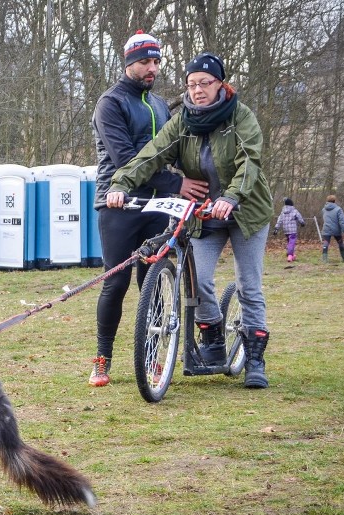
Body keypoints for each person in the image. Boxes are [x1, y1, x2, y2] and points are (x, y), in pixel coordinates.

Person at [109, 52, 274, 389]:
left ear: (220, 85)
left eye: (205, 83)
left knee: (249, 285)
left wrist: (230, 197)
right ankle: (213, 344)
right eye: (192, 83)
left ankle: (255, 360)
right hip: (203, 214)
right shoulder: (183, 121)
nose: (198, 90)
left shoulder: (241, 117)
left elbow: (249, 161)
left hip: (246, 212)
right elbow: (152, 154)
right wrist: (120, 183)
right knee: (198, 281)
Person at [88, 30, 196, 387]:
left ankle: (152, 357)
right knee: (115, 282)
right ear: (129, 63)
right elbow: (126, 161)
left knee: (153, 277)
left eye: (156, 61)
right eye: (145, 62)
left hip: (157, 206)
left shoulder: (162, 104)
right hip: (118, 201)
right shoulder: (111, 103)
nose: (152, 68)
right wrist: (176, 184)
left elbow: (174, 152)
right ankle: (102, 359)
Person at [273, 197, 306, 262]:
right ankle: (290, 255)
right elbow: (299, 218)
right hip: (292, 230)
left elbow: (279, 220)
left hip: (286, 230)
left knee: (289, 242)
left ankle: (292, 255)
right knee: (292, 242)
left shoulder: (283, 212)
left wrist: (276, 228)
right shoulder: (294, 211)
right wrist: (302, 223)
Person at [321, 194, 344, 262]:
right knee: (340, 243)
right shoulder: (338, 209)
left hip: (326, 228)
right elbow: (342, 221)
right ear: (334, 201)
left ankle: (324, 259)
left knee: (326, 243)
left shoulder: (323, 209)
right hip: (336, 229)